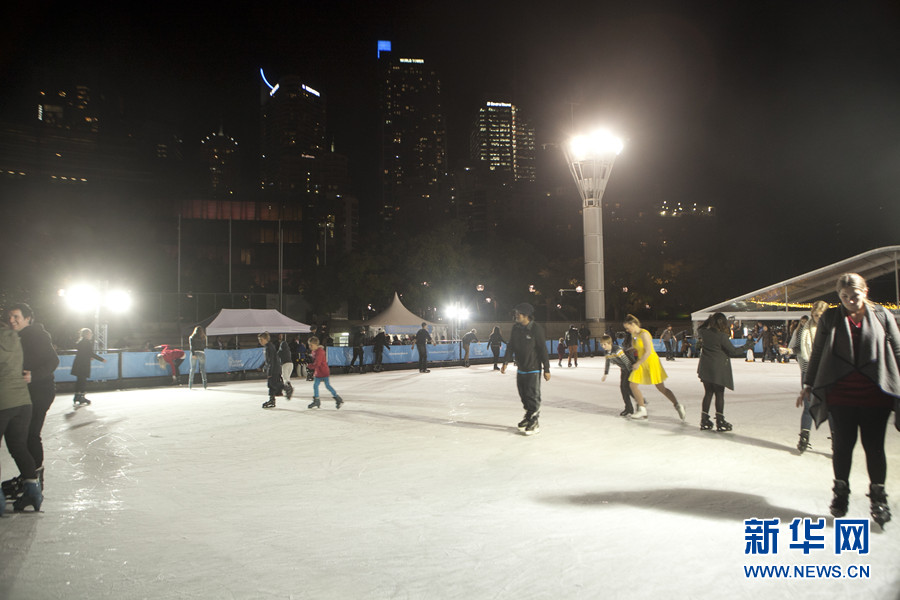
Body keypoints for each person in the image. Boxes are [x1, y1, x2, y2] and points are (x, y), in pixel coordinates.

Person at [800, 273, 900, 526]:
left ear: (865, 291)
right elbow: (818, 352)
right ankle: (841, 493)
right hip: (841, 394)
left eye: (854, 296)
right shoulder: (831, 317)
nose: (849, 301)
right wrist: (808, 384)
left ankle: (878, 498)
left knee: (874, 447)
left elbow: (898, 349)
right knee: (842, 445)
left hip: (875, 393)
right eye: (844, 297)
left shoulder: (882, 315)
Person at [7, 303, 58, 490]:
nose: (12, 320)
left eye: (16, 316)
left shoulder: (37, 335)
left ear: (27, 318)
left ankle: (35, 480)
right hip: (23, 393)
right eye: (10, 317)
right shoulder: (14, 336)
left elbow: (54, 361)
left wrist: (33, 375)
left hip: (40, 392)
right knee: (20, 437)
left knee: (31, 434)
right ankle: (29, 477)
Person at [0, 320, 42, 513]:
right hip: (23, 401)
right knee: (19, 447)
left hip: (3, 400)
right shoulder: (13, 338)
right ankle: (34, 492)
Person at [696, 313, 754, 431]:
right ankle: (720, 420)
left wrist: (709, 320)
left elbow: (700, 328)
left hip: (705, 367)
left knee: (708, 393)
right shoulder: (721, 336)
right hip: (718, 368)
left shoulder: (704, 333)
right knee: (719, 393)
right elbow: (733, 351)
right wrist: (747, 346)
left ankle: (704, 419)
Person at [500, 303, 551, 435]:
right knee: (523, 395)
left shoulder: (536, 329)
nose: (516, 315)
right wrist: (505, 361)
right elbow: (510, 346)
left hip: (533, 368)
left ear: (525, 315)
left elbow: (542, 349)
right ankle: (529, 415)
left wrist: (546, 369)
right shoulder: (516, 328)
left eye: (518, 313)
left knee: (532, 395)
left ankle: (534, 421)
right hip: (521, 368)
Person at [623, 314, 685, 421]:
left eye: (627, 328)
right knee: (632, 385)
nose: (627, 330)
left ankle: (678, 405)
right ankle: (642, 409)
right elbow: (637, 347)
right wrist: (629, 350)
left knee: (661, 388)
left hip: (651, 362)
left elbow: (648, 351)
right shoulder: (634, 335)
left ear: (633, 324)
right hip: (642, 362)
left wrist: (638, 363)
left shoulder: (644, 334)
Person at [794, 303, 828, 452]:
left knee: (831, 406)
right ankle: (804, 437)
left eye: (821, 315)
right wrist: (789, 350)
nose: (818, 318)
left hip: (827, 372)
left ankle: (837, 439)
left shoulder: (831, 329)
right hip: (808, 371)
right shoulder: (805, 329)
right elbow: (798, 348)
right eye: (816, 315)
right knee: (808, 405)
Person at [600, 334, 635, 417]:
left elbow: (626, 361)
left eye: (605, 344)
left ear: (610, 343)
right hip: (623, 370)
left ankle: (637, 404)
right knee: (625, 389)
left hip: (629, 369)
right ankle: (631, 407)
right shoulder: (606, 352)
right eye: (602, 345)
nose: (603, 346)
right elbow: (607, 362)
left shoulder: (617, 350)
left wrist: (631, 373)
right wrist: (605, 373)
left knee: (625, 388)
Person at [70, 328, 106, 406]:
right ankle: (81, 397)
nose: (91, 335)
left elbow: (84, 353)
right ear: (86, 334)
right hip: (83, 364)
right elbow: (90, 353)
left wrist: (88, 357)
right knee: (82, 381)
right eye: (90, 333)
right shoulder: (87, 343)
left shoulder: (81, 342)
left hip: (78, 363)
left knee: (79, 380)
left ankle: (77, 396)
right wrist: (101, 359)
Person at [307, 336, 343, 409]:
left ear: (316, 345)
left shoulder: (320, 352)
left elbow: (318, 363)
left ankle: (337, 398)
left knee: (327, 385)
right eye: (309, 345)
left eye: (311, 345)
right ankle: (317, 400)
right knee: (315, 385)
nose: (310, 347)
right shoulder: (314, 351)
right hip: (318, 372)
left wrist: (310, 366)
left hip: (323, 371)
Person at [259, 332, 291, 409]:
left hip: (274, 369)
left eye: (261, 339)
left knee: (273, 384)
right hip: (274, 368)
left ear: (266, 339)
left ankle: (286, 388)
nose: (260, 341)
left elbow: (271, 361)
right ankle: (272, 400)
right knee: (271, 385)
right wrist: (262, 366)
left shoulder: (269, 347)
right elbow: (268, 360)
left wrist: (270, 371)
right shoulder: (268, 346)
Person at [188, 326, 208, 390]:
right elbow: (204, 346)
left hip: (195, 352)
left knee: (193, 369)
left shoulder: (192, 337)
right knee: (202, 369)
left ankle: (190, 384)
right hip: (201, 352)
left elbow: (191, 346)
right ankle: (205, 384)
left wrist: (193, 354)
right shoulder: (204, 337)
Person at [277, 333, 294, 399]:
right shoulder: (288, 351)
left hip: (285, 364)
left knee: (285, 378)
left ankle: (289, 389)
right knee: (287, 378)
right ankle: (288, 388)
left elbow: (276, 356)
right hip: (291, 364)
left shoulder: (281, 351)